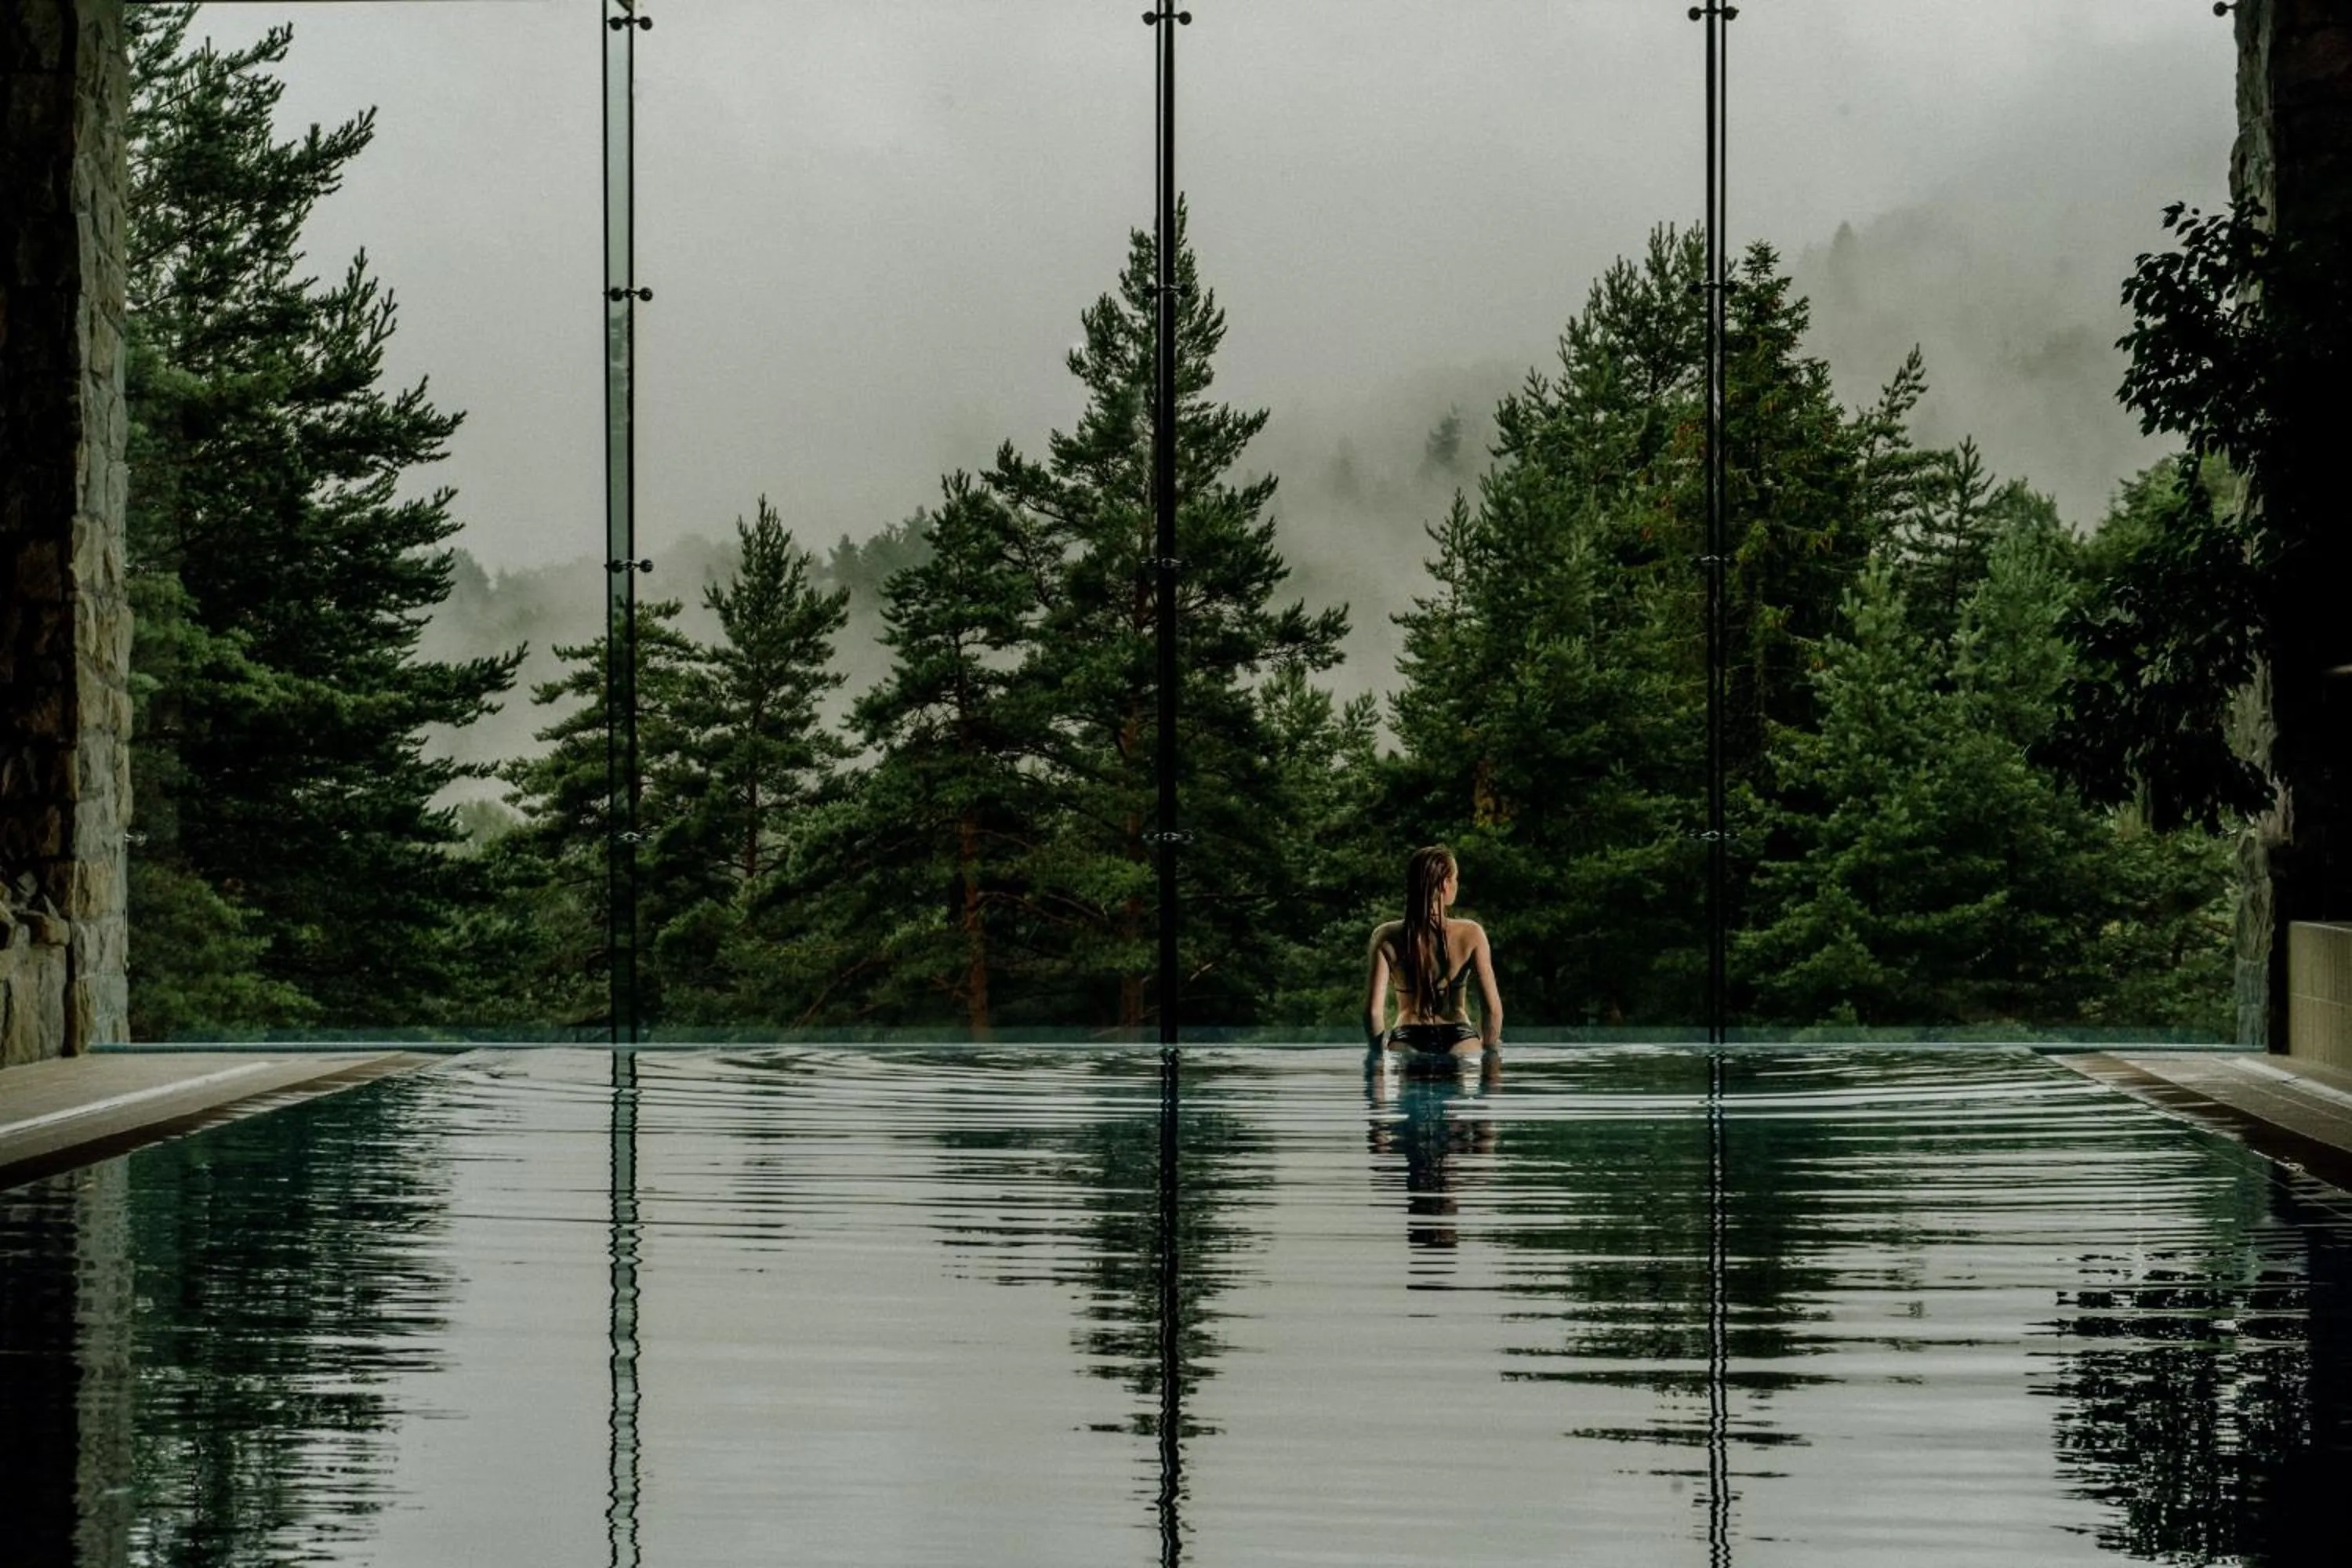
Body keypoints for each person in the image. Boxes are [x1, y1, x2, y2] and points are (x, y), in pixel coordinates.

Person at [1363, 844, 1502, 1061]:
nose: (1457, 885)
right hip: (1460, 1037)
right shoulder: (1471, 933)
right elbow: (1492, 1010)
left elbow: (1373, 1012)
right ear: (1445, 884)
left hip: (1408, 1036)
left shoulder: (1385, 936)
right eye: (1456, 879)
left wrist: (1375, 1051)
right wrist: (1490, 1048)